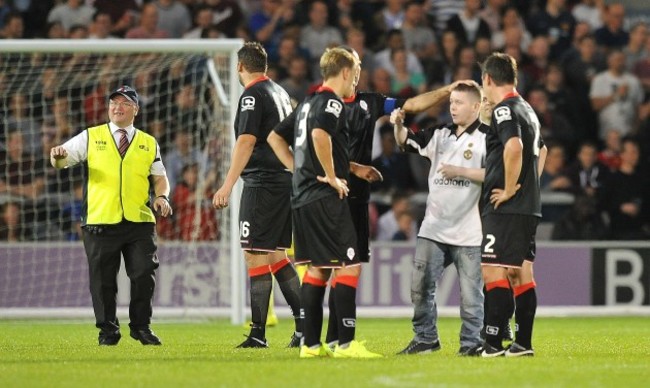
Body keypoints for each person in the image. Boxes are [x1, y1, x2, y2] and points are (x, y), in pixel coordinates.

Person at [268, 47, 382, 358]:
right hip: (323, 196)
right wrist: (331, 176)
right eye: (356, 70)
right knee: (349, 264)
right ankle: (345, 344)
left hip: (303, 197)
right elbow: (320, 135)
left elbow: (275, 138)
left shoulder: (307, 102)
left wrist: (299, 170)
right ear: (346, 71)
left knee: (318, 269)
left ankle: (310, 345)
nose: (357, 77)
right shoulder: (331, 102)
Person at [50, 85, 173, 346]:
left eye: (125, 103)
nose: (117, 107)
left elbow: (160, 178)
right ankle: (108, 331)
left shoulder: (149, 142)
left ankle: (141, 327)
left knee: (143, 274)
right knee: (103, 280)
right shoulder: (90, 136)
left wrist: (162, 197)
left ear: (135, 110)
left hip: (139, 220)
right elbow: (62, 159)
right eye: (114, 103)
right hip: (100, 220)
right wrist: (56, 156)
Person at [211, 42, 302, 349]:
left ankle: (258, 333)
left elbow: (247, 141)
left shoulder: (252, 95)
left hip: (262, 184)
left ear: (240, 67)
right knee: (277, 255)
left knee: (253, 254)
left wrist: (226, 185)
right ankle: (305, 327)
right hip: (283, 182)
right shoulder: (280, 93)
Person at [391, 81, 486, 356]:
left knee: (471, 297)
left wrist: (462, 171)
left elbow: (499, 173)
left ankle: (471, 344)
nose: (452, 107)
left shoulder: (488, 137)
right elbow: (405, 141)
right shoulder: (440, 134)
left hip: (470, 231)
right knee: (420, 288)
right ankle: (425, 339)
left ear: (476, 106)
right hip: (433, 228)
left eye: (459, 103)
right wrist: (398, 124)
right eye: (451, 102)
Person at [479, 53, 547, 357]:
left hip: (507, 207)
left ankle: (492, 344)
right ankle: (522, 344)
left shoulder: (504, 110)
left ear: (488, 79)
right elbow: (541, 151)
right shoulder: (527, 109)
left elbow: (515, 147)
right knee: (522, 274)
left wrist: (508, 189)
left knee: (493, 271)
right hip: (528, 205)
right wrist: (528, 187)